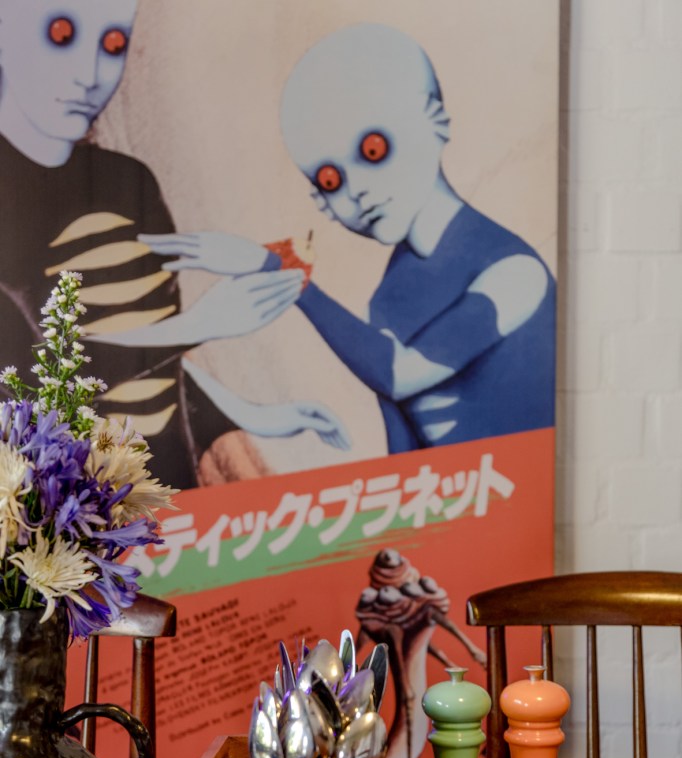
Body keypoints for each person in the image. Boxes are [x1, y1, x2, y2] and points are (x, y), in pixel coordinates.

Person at [133, 22, 555, 453]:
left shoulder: (514, 272)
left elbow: (400, 374)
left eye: (373, 150)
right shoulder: (389, 295)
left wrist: (282, 270)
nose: (357, 192)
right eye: (331, 180)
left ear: (434, 120)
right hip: (442, 489)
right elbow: (402, 446)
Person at [0, 1, 347, 489]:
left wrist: (251, 414)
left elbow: (158, 361)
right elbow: (29, 381)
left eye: (113, 45)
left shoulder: (128, 180)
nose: (90, 74)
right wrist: (198, 326)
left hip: (172, 485)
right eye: (61, 35)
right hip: (69, 504)